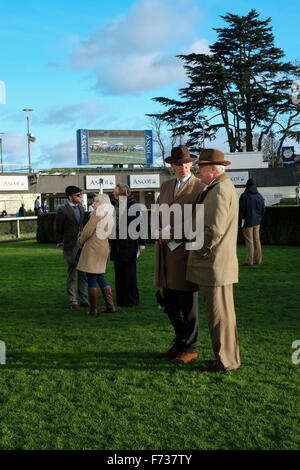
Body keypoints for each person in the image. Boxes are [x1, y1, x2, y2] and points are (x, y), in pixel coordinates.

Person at [186, 149, 241, 373]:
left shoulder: (219, 191)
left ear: (212, 170)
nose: (198, 170)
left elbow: (212, 231)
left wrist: (197, 252)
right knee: (224, 317)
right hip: (219, 265)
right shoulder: (223, 188)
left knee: (219, 318)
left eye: (201, 167)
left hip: (213, 265)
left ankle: (225, 361)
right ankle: (228, 359)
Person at [154, 145, 204, 364]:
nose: (182, 167)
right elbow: (157, 214)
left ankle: (190, 347)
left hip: (186, 253)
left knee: (187, 304)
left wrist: (176, 233)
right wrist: (156, 230)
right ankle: (179, 343)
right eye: (178, 164)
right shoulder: (165, 187)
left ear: (191, 164)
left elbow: (201, 221)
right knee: (170, 303)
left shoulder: (201, 187)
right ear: (172, 166)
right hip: (164, 253)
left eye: (186, 163)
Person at [77, 194, 116, 315]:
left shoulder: (98, 213)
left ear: (102, 203)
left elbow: (87, 231)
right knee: (100, 277)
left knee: (92, 278)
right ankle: (110, 307)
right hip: (103, 247)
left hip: (93, 247)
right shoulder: (111, 214)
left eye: (95, 202)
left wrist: (80, 241)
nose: (93, 204)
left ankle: (93, 309)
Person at [110, 184, 146, 307]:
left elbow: (142, 224)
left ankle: (131, 300)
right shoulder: (116, 206)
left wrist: (142, 243)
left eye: (116, 194)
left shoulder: (134, 206)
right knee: (119, 274)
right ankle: (121, 300)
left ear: (123, 194)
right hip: (117, 245)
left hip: (129, 244)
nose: (114, 196)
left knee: (129, 274)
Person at [55, 186, 89, 311]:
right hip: (70, 246)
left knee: (83, 273)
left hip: (82, 245)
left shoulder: (80, 208)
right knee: (72, 274)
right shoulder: (62, 210)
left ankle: (83, 299)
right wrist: (68, 237)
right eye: (77, 195)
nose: (80, 196)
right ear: (70, 197)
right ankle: (72, 301)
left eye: (80, 194)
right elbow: (58, 229)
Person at [239, 178, 265, 266]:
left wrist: (239, 224)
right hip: (257, 222)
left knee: (249, 242)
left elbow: (241, 211)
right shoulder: (259, 196)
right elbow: (263, 209)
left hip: (247, 222)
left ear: (247, 185)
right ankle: (258, 260)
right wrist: (259, 219)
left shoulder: (244, 196)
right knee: (257, 241)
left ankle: (249, 261)